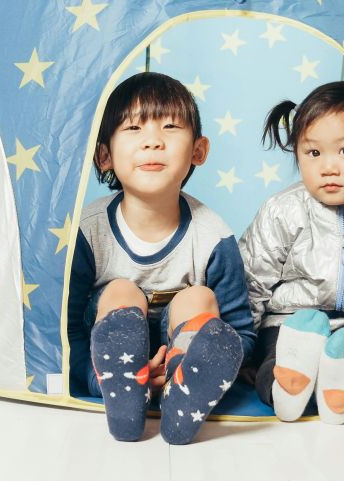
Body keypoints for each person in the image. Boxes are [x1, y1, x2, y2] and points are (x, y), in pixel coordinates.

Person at [68, 72, 255, 444]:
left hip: (177, 349)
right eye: (134, 128)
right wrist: (95, 378)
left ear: (198, 151)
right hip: (111, 348)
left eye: (170, 127)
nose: (153, 141)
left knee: (198, 298)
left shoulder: (213, 234)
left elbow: (240, 334)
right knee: (121, 291)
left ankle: (183, 394)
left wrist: (181, 368)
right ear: (104, 155)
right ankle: (122, 392)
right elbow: (67, 327)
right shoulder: (89, 231)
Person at [240, 81, 344, 425]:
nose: (328, 167)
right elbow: (251, 280)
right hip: (287, 325)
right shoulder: (284, 210)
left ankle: (337, 384)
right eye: (314, 153)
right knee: (273, 363)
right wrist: (242, 350)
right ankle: (286, 387)